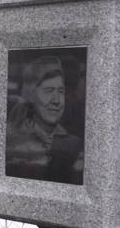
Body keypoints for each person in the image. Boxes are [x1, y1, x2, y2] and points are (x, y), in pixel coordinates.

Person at [5, 54, 84, 185]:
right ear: (31, 96)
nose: (57, 101)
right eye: (48, 91)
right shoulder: (11, 137)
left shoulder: (73, 143)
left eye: (61, 91)